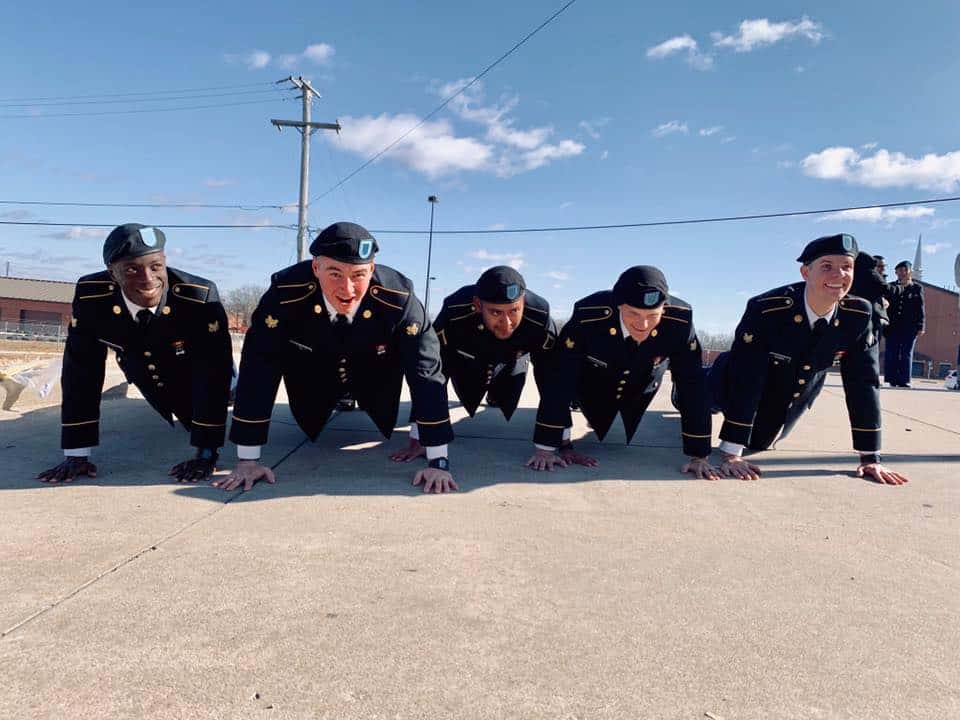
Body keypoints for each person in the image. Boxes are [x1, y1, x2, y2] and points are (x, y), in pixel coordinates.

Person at [214, 221, 456, 494]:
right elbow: (258, 370)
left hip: (374, 376)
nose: (348, 288)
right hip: (313, 378)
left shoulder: (399, 298)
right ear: (315, 268)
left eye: (359, 275)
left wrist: (437, 457)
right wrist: (248, 460)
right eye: (335, 273)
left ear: (372, 269)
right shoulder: (284, 294)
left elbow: (425, 371)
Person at [37, 223, 233, 484]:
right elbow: (80, 375)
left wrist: (206, 453)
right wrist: (76, 454)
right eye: (131, 269)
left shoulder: (198, 298)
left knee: (222, 395)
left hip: (193, 363)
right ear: (112, 273)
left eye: (156, 267)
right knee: (167, 398)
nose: (148, 278)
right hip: (140, 364)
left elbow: (212, 374)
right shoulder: (91, 297)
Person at [708, 233, 908, 485]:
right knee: (703, 399)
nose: (839, 275)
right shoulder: (768, 309)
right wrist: (730, 451)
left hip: (791, 389)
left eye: (847, 267)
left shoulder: (858, 315)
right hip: (735, 375)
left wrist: (870, 457)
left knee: (759, 443)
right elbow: (747, 376)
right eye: (827, 267)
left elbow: (863, 383)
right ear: (805, 272)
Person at [530, 266, 716, 479]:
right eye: (633, 313)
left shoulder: (680, 321)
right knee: (591, 404)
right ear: (619, 305)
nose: (643, 324)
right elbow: (561, 378)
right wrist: (547, 447)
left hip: (645, 376)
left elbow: (692, 384)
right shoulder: (588, 314)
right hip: (596, 378)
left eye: (652, 315)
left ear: (664, 308)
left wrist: (700, 456)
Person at [390, 265, 560, 463]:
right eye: (496, 313)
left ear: (523, 302)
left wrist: (551, 446)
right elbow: (429, 371)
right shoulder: (455, 310)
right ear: (478, 305)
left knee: (504, 395)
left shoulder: (540, 314)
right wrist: (421, 437)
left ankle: (496, 395)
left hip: (512, 364)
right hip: (469, 364)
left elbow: (555, 379)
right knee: (467, 388)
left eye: (514, 311)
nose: (506, 323)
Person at [884, 260, 925, 388]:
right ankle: (891, 379)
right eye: (899, 270)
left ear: (910, 272)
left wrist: (921, 326)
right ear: (896, 272)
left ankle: (904, 379)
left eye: (905, 270)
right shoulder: (890, 286)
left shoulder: (917, 288)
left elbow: (920, 308)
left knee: (906, 352)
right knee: (892, 352)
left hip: (910, 327)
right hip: (892, 326)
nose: (902, 273)